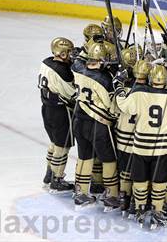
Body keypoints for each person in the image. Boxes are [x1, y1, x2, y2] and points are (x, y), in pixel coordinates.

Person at [114, 64, 167, 229]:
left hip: (140, 147)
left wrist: (118, 84)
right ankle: (157, 212)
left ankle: (139, 210)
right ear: (166, 80)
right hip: (162, 149)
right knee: (159, 183)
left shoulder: (139, 95)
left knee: (140, 181)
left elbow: (122, 104)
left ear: (150, 79)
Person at [72, 42, 119, 210]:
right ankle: (112, 195)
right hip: (98, 124)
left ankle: (81, 193)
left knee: (84, 156)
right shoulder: (104, 79)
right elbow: (112, 106)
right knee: (109, 159)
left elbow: (76, 61)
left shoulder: (77, 69)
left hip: (78, 120)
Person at [113, 59, 152, 217]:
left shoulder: (126, 91)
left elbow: (117, 109)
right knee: (140, 175)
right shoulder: (149, 93)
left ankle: (124, 200)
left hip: (122, 138)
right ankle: (136, 204)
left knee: (124, 172)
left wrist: (118, 85)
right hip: (138, 141)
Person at [38, 37, 76, 193]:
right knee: (63, 146)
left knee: (54, 143)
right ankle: (57, 179)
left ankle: (49, 174)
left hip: (46, 109)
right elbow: (73, 94)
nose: (70, 55)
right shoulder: (63, 72)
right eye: (68, 53)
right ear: (61, 53)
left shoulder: (46, 61)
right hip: (61, 112)